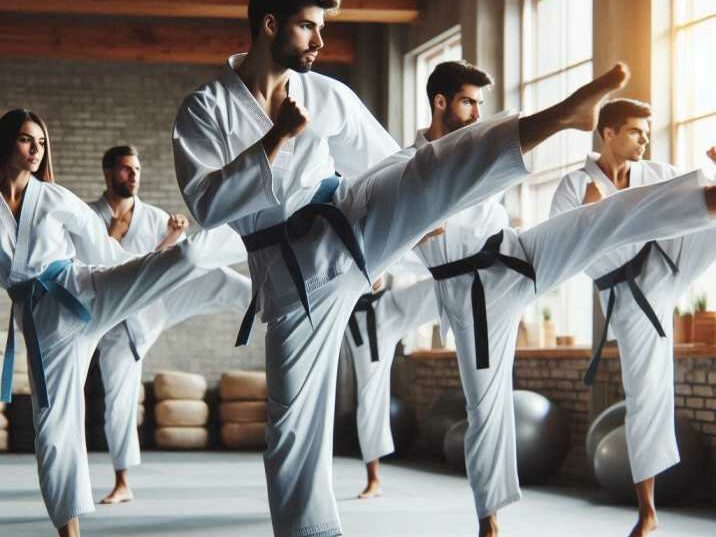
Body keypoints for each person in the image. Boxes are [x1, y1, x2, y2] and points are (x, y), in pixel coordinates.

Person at [172, 2, 633, 534]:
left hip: (350, 219)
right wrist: (276, 140)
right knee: (293, 433)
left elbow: (390, 160)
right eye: (307, 27)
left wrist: (420, 211)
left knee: (431, 167)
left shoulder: (325, 94)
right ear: (270, 24)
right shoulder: (205, 109)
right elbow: (206, 204)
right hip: (295, 275)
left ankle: (560, 117)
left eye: (323, 29)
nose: (319, 42)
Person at [413, 62, 716, 537]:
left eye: (479, 103)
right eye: (469, 101)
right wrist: (414, 229)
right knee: (486, 408)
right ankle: (489, 522)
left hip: (518, 255)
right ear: (440, 103)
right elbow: (384, 218)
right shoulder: (412, 167)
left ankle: (710, 198)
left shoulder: (479, 147)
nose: (476, 112)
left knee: (600, 218)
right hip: (474, 293)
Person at [0, 109, 245, 537]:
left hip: (86, 289)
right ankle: (69, 531)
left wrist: (152, 263)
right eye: (26, 140)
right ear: (5, 143)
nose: (36, 150)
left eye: (40, 142)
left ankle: (262, 236)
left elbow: (103, 252)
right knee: (54, 432)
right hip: (46, 328)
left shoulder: (54, 198)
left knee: (184, 256)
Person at [551, 99, 716, 537]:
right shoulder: (573, 184)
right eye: (636, 131)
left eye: (647, 131)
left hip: (668, 261)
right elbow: (560, 252)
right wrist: (589, 215)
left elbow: (688, 207)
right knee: (646, 392)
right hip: (626, 294)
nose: (645, 139)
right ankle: (648, 511)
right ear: (608, 133)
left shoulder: (656, 174)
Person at [90, 145, 253, 505]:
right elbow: (90, 267)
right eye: (125, 169)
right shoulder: (90, 217)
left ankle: (268, 296)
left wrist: (174, 236)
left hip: (155, 303)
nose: (133, 175)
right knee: (119, 399)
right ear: (108, 172)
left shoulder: (152, 217)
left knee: (208, 270)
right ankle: (122, 481)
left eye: (137, 169)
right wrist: (113, 236)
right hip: (116, 324)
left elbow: (162, 263)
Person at [344, 275, 438, 499]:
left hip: (390, 304)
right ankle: (373, 479)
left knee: (449, 281)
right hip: (360, 320)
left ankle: (488, 296)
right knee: (369, 396)